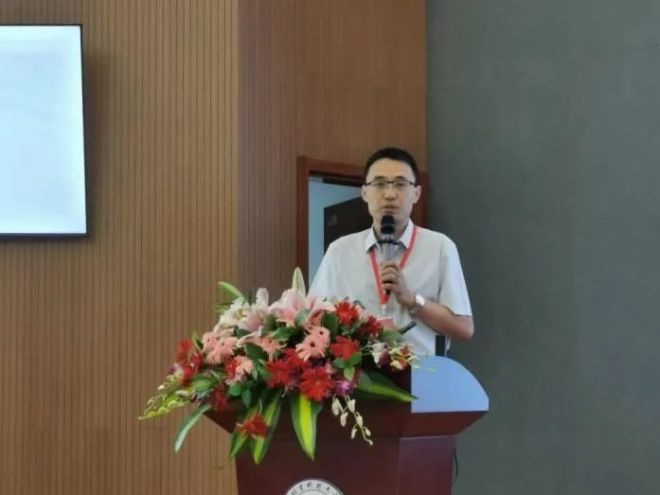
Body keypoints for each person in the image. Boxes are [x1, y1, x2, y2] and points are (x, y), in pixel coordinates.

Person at [309, 147, 473, 356]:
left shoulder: (440, 247)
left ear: (416, 193)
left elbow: (464, 328)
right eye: (379, 184)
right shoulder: (340, 251)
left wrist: (412, 301)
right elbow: (313, 319)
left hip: (423, 371)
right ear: (364, 192)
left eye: (400, 184)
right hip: (358, 372)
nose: (389, 194)